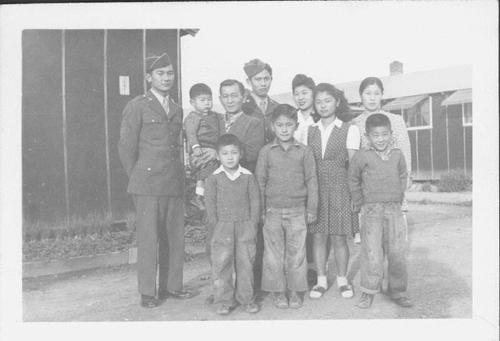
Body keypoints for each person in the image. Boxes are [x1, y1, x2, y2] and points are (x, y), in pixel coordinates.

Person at [118, 52, 195, 308]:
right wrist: (138, 176)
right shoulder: (137, 106)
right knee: (149, 239)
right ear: (149, 77)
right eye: (160, 73)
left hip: (172, 182)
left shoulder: (176, 108)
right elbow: (126, 148)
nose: (166, 78)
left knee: (174, 238)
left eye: (170, 73)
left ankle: (172, 286)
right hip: (147, 184)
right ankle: (148, 293)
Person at [255, 104, 318, 309]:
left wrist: (311, 208)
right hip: (272, 211)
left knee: (297, 254)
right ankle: (278, 292)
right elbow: (260, 182)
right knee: (273, 255)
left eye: (289, 125)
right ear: (273, 126)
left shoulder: (304, 151)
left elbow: (311, 181)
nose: (284, 129)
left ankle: (294, 291)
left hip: (298, 211)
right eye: (280, 125)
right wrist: (261, 210)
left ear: (296, 126)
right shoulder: (266, 152)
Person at [348, 113, 413, 309]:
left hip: (394, 210)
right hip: (371, 211)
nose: (381, 139)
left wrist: (399, 195)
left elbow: (403, 174)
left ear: (391, 134)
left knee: (397, 253)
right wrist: (359, 201)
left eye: (385, 134)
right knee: (372, 253)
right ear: (367, 137)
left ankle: (398, 290)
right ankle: (368, 291)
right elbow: (353, 179)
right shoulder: (362, 156)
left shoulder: (397, 154)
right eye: (376, 135)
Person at [307, 83, 360, 299]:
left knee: (339, 237)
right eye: (318, 101)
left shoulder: (349, 129)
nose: (323, 105)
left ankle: (342, 280)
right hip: (316, 188)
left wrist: (355, 195)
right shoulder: (309, 130)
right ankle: (320, 280)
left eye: (327, 100)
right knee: (319, 237)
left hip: (340, 187)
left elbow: (354, 166)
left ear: (337, 102)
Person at [205, 134, 261, 315]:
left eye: (234, 153)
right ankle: (223, 300)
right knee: (222, 264)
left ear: (241, 154)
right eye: (225, 153)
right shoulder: (214, 178)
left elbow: (255, 202)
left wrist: (252, 224)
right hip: (222, 227)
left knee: (246, 263)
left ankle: (247, 298)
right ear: (218, 156)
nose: (230, 157)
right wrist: (215, 226)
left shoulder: (248, 177)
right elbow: (210, 204)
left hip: (245, 226)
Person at [183, 83, 224, 211]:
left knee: (211, 173)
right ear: (192, 102)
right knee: (205, 173)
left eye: (209, 100)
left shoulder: (215, 116)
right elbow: (191, 133)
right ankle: (200, 197)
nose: (207, 103)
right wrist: (195, 147)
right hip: (200, 149)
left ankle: (201, 196)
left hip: (214, 149)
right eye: (202, 100)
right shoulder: (193, 117)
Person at [219, 79, 265, 173]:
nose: (229, 101)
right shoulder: (217, 121)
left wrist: (216, 154)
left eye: (234, 96)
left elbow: (252, 154)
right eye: (225, 96)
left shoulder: (254, 123)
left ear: (244, 98)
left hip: (243, 180)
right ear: (220, 99)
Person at [241, 58, 280, 143]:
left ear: (271, 79)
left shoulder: (278, 108)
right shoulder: (242, 108)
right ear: (249, 82)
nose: (263, 84)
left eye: (266, 79)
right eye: (258, 79)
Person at [292, 74, 320, 145]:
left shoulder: (322, 116)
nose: (300, 98)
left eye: (304, 93)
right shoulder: (290, 117)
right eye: (296, 94)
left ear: (313, 93)